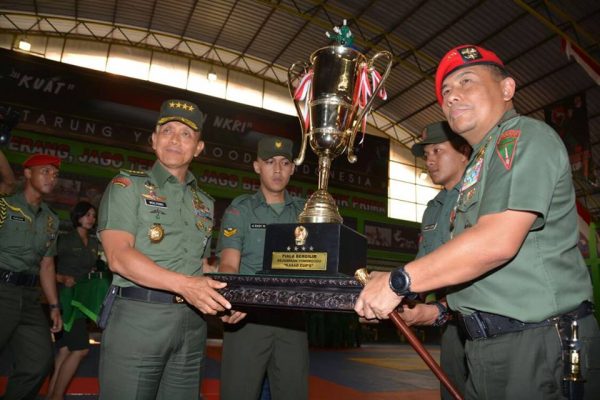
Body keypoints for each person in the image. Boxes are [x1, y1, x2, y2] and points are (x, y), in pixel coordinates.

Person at [354, 44, 600, 399]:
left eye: (466, 81)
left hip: (539, 344)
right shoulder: (478, 168)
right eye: (446, 92)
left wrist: (398, 282)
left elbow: (496, 242)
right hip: (486, 347)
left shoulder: (524, 137)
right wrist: (426, 312)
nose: (452, 96)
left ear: (506, 89)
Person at [97, 99, 232, 399]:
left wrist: (227, 299)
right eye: (167, 130)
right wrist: (186, 286)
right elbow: (119, 257)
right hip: (139, 318)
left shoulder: (204, 203)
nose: (175, 139)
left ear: (198, 148)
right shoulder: (127, 186)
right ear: (154, 139)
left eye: (186, 134)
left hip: (192, 325)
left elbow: (199, 265)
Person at [217, 135, 308, 400]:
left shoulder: (306, 213)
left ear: (293, 168)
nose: (277, 169)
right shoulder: (241, 210)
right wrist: (228, 301)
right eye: (269, 162)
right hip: (247, 318)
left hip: (293, 320)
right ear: (257, 166)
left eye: (284, 162)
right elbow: (228, 263)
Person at [406, 121, 471, 399]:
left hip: (491, 322)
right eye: (426, 154)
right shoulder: (433, 209)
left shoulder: (481, 196)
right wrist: (397, 296)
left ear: (464, 152)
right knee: (452, 391)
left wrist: (438, 310)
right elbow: (423, 266)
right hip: (453, 328)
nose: (430, 160)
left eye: (437, 150)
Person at [0, 153, 63, 400]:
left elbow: (47, 264)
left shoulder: (51, 219)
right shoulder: (5, 205)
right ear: (27, 173)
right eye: (45, 171)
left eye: (55, 174)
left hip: (29, 298)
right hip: (1, 290)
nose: (52, 178)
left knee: (39, 362)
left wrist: (55, 306)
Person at [47, 201, 99, 400]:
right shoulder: (65, 240)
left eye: (93, 215)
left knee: (65, 349)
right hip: (65, 298)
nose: (90, 218)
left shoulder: (94, 243)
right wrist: (61, 279)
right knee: (81, 349)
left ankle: (52, 394)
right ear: (77, 216)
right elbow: (45, 266)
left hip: (82, 300)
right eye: (87, 214)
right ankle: (58, 395)